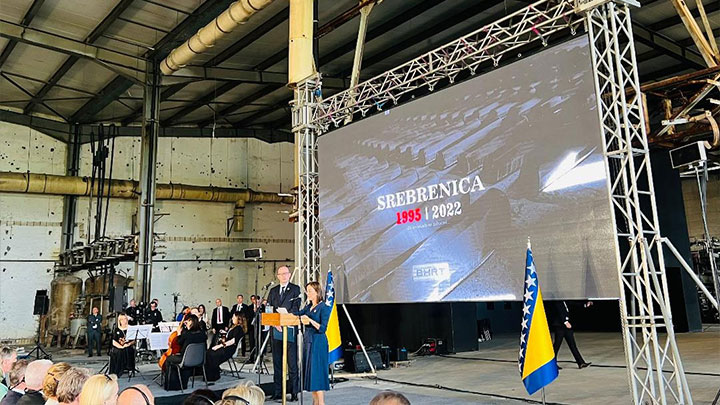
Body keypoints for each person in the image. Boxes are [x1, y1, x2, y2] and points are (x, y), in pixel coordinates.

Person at [267, 266, 301, 402]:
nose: (284, 276)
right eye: (281, 274)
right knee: (277, 363)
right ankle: (278, 391)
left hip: (289, 330)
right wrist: (275, 323)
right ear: (277, 276)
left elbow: (296, 307)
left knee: (292, 363)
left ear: (289, 274)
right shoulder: (273, 291)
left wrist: (284, 321)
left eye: (286, 273)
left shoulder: (295, 289)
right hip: (276, 331)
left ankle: (294, 392)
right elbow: (269, 309)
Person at [298, 282, 331, 405]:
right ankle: (315, 403)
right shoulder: (308, 307)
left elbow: (323, 328)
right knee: (311, 375)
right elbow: (298, 314)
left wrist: (310, 321)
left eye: (311, 291)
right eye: (307, 291)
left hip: (318, 343)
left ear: (317, 292)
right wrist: (284, 314)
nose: (308, 293)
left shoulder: (324, 307)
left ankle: (321, 403)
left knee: (317, 375)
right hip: (309, 342)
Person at [164, 314, 207, 390]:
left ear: (192, 322)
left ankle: (172, 385)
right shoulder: (202, 334)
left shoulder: (187, 334)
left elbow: (179, 342)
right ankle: (184, 384)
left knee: (168, 359)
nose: (187, 322)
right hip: (199, 360)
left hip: (186, 360)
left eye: (189, 321)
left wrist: (179, 333)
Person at [549, 300, 592, 369]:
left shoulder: (565, 301)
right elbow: (559, 310)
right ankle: (551, 364)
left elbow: (574, 304)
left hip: (565, 327)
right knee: (556, 346)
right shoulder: (558, 301)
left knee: (572, 345)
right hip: (560, 326)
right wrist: (565, 322)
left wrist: (585, 305)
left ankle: (581, 363)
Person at [205, 312, 245, 381]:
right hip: (226, 347)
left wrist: (219, 346)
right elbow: (230, 337)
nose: (232, 318)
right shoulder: (234, 327)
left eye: (233, 317)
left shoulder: (239, 329)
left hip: (229, 349)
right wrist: (225, 333)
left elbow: (233, 341)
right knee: (209, 352)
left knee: (211, 354)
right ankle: (210, 373)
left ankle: (213, 375)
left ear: (238, 318)